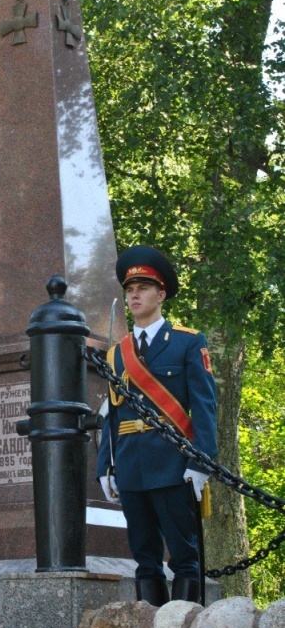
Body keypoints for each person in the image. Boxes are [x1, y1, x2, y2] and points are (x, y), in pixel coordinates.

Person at [96, 246, 217, 606]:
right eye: (130, 288)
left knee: (183, 554)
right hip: (131, 466)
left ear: (161, 294)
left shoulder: (188, 342)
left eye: (143, 287)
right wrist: (105, 465)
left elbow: (204, 408)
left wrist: (201, 461)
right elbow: (111, 412)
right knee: (143, 556)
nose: (134, 294)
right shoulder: (117, 354)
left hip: (174, 465)